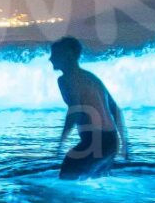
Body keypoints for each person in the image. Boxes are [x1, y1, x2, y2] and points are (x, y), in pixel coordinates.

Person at [50, 36, 128, 180]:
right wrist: (124, 143)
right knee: (95, 181)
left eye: (55, 54)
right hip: (111, 140)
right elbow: (116, 109)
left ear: (68, 54)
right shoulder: (92, 78)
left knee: (66, 178)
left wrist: (61, 142)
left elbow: (75, 110)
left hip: (95, 142)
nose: (50, 59)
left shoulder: (65, 80)